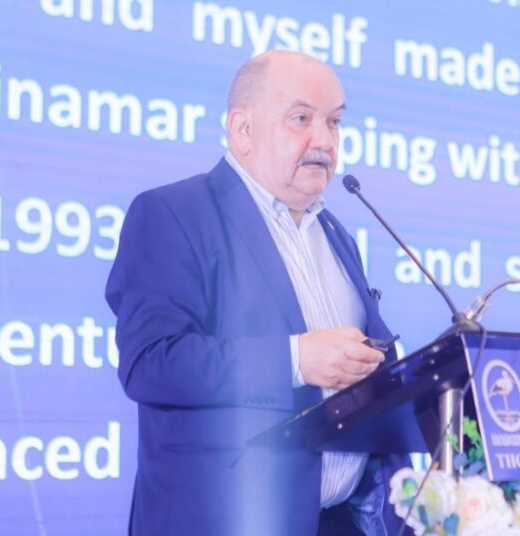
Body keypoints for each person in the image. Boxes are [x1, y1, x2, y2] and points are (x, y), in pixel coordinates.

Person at [105, 50, 411, 535]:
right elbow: (151, 363)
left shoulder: (335, 234)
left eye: (334, 122)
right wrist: (296, 360)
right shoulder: (174, 214)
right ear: (242, 129)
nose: (324, 140)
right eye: (301, 119)